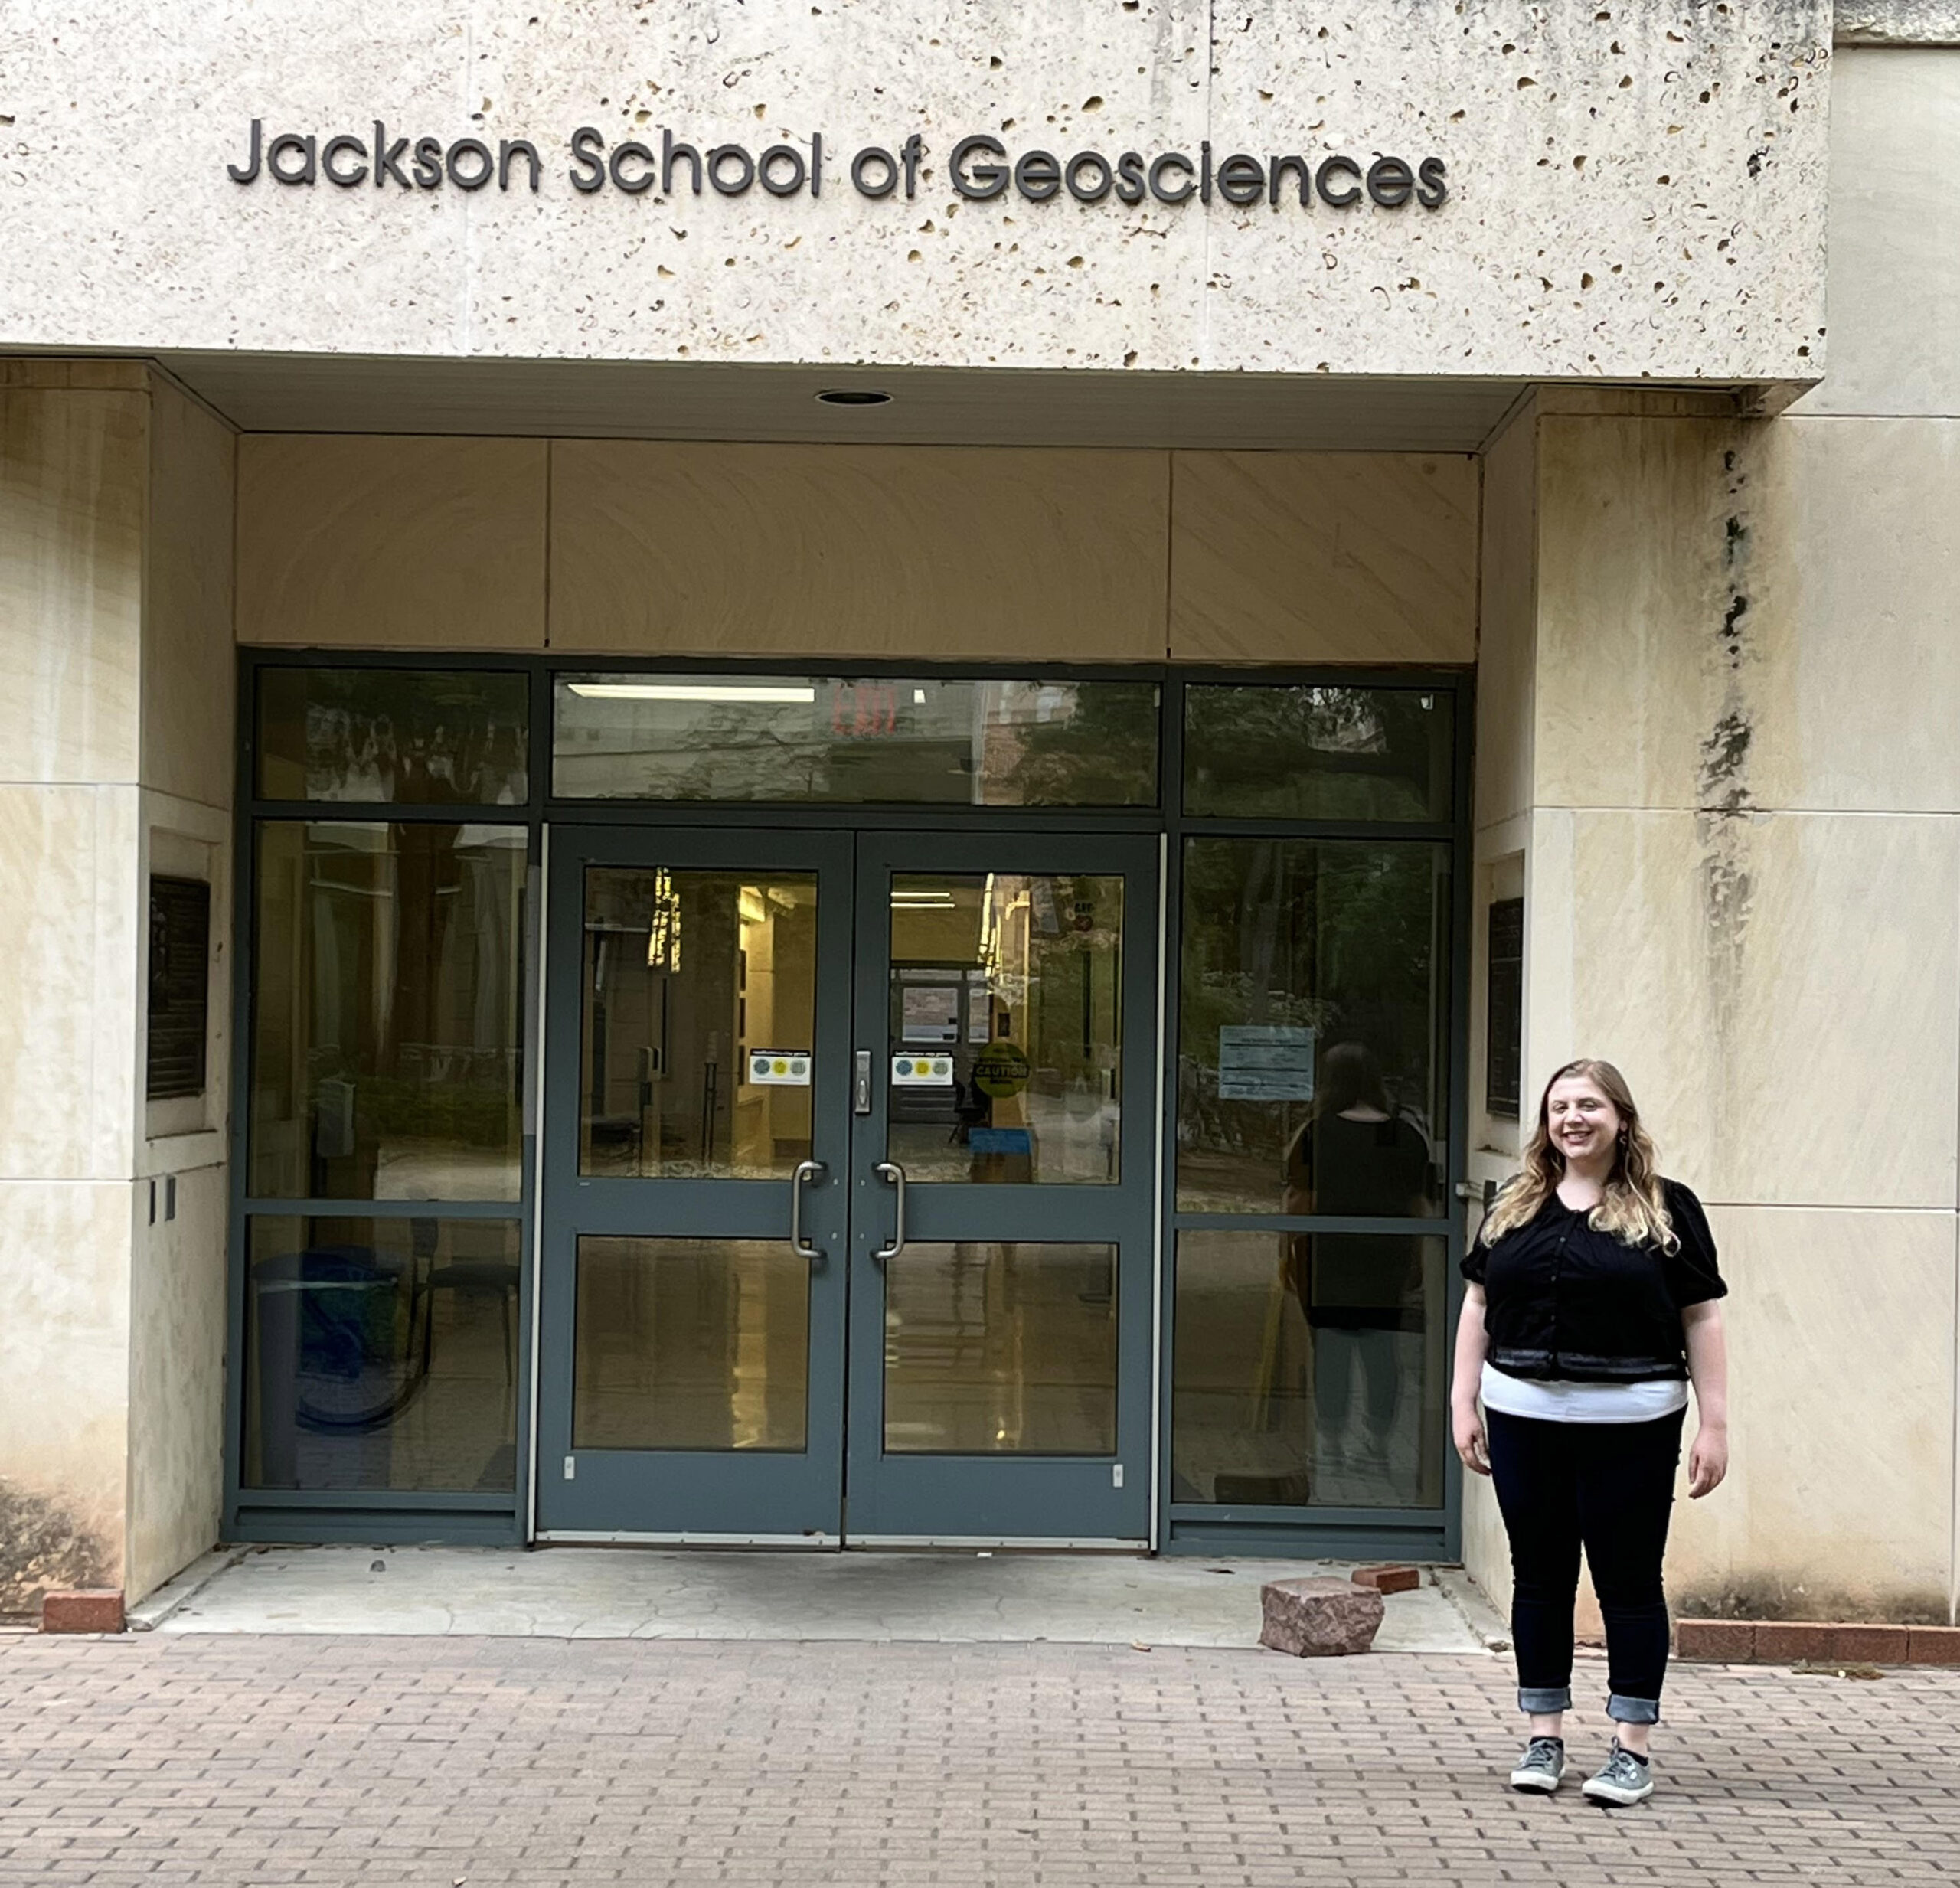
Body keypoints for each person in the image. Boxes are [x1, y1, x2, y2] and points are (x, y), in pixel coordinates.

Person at [1452, 1057, 1729, 1807]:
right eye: (1558, 1107)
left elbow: (1699, 1316)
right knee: (1539, 1577)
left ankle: (1630, 1749)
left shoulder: (1670, 1208)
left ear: (1620, 1119)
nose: (1571, 1119)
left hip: (1632, 1425)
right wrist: (1461, 1399)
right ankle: (1543, 1737)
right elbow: (1478, 1302)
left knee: (1627, 1582)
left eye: (1588, 1106)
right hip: (1521, 1420)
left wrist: (1714, 1424)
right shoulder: (1514, 1203)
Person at [1283, 1042, 1435, 1492]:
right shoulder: (1405, 1136)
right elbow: (1419, 1205)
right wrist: (1419, 1259)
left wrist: (1285, 1254)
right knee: (1381, 1355)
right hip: (1385, 1261)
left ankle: (1328, 1445)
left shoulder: (1317, 1133)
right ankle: (1379, 1445)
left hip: (1327, 1259)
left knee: (1330, 1353)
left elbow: (1298, 1201)